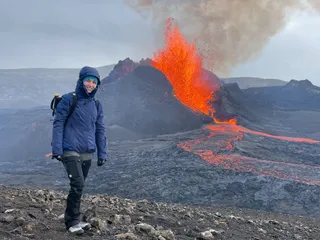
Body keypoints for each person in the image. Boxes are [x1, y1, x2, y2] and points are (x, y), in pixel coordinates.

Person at [51, 66, 108, 234]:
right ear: (81, 81)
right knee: (78, 183)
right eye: (87, 80)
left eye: (94, 82)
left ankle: (74, 217)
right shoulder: (70, 99)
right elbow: (58, 123)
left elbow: (100, 129)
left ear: (97, 85)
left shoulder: (97, 104)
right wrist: (57, 149)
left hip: (86, 150)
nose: (90, 84)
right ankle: (72, 222)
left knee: (79, 187)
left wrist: (102, 152)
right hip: (69, 148)